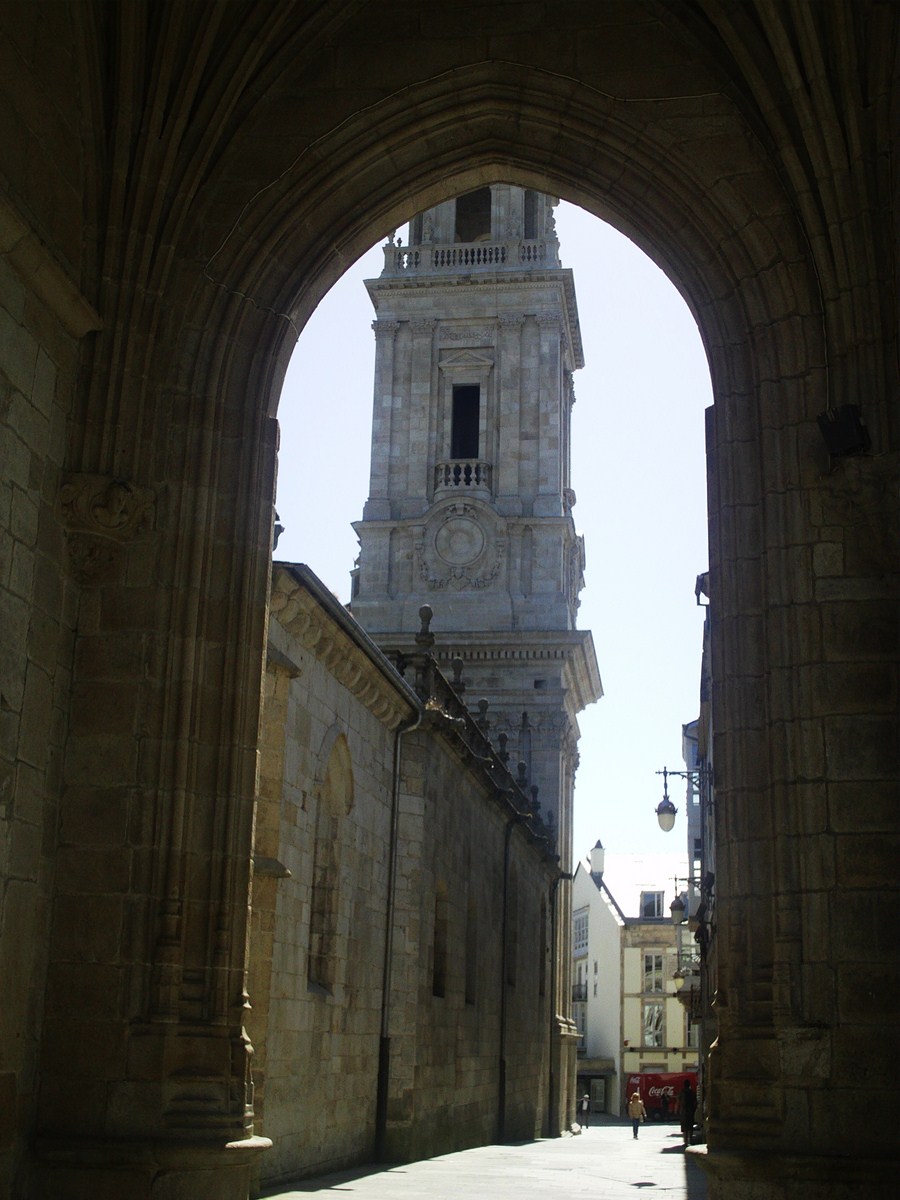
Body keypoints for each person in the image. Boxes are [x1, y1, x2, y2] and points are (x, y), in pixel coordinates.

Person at [680, 1081, 697, 1146]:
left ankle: (686, 1141)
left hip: (684, 1111)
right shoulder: (692, 1092)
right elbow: (695, 1102)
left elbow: (679, 1101)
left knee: (685, 1127)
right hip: (690, 1111)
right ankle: (691, 1139)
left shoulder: (682, 1092)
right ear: (689, 1085)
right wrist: (694, 1109)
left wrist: (678, 1110)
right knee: (690, 1126)